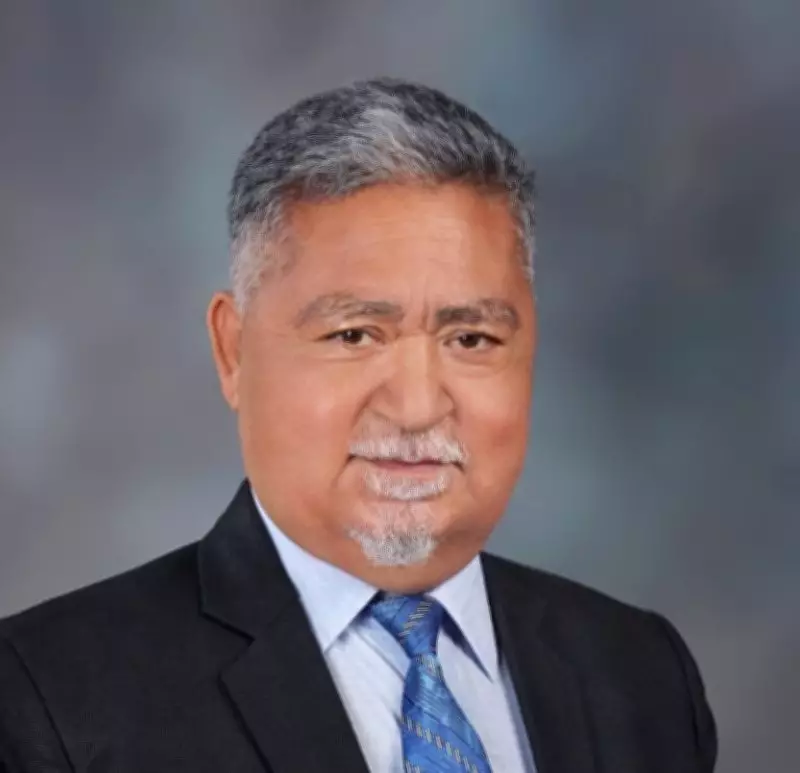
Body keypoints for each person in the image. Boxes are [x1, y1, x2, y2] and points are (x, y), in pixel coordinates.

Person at [0, 78, 717, 773]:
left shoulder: (642, 674)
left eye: (471, 339)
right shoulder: (48, 698)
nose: (416, 406)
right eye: (354, 335)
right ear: (232, 350)